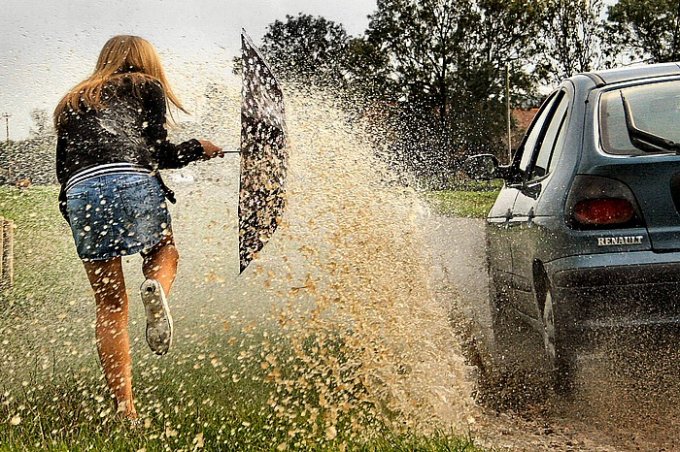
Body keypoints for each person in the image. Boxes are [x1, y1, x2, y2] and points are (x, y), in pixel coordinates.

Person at [53, 35, 223, 421]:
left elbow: (64, 170)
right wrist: (199, 147)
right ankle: (156, 289)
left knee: (110, 306)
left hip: (81, 193)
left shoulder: (72, 99)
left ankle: (124, 409)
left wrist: (78, 216)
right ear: (146, 61)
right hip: (132, 181)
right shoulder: (146, 86)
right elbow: (161, 154)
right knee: (164, 252)